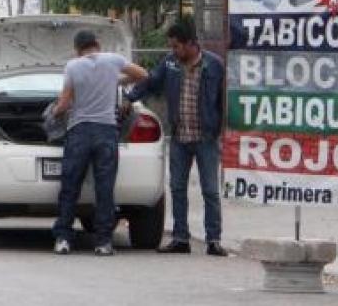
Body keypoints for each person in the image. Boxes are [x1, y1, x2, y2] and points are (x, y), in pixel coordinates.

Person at [126, 18, 227, 256]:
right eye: (172, 47)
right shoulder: (170, 64)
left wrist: (221, 130)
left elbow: (223, 101)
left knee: (210, 190)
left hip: (206, 138)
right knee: (177, 188)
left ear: (191, 44)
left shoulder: (214, 65)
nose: (174, 51)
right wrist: (129, 98)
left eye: (177, 46)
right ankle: (181, 238)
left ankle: (214, 239)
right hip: (180, 137)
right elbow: (150, 81)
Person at [51, 29, 148, 256]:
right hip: (107, 131)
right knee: (104, 188)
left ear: (77, 49)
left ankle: (63, 238)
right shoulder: (113, 60)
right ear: (98, 44)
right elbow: (143, 74)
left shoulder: (73, 66)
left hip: (79, 131)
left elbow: (64, 104)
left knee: (70, 186)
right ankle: (104, 242)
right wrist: (116, 80)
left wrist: (54, 112)